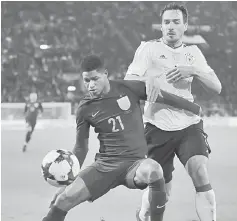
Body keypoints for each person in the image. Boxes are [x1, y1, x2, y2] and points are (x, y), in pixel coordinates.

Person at [125, 3, 222, 221]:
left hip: (189, 125)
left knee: (199, 170)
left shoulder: (193, 53)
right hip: (157, 127)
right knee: (162, 192)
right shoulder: (148, 49)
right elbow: (128, 81)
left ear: (185, 26)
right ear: (161, 26)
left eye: (176, 22)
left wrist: (194, 70)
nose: (171, 26)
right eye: (166, 22)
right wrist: (146, 79)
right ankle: (143, 215)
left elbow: (217, 87)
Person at [42, 55, 167, 221]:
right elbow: (81, 147)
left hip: (134, 163)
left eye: (95, 79)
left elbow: (155, 88)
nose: (90, 85)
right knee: (63, 199)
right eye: (86, 80)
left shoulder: (125, 89)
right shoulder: (84, 108)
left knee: (154, 169)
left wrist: (191, 108)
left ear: (105, 74)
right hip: (105, 165)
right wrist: (68, 181)